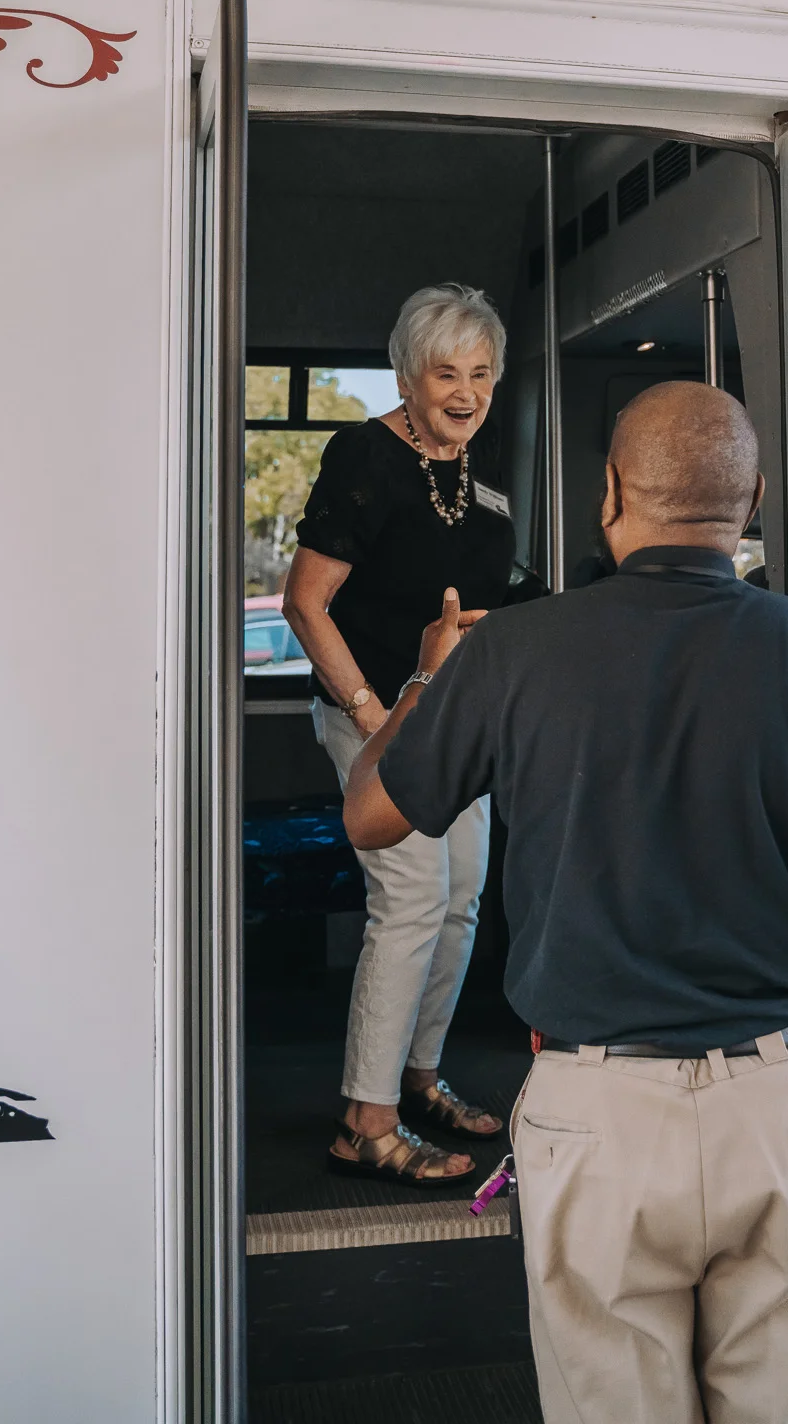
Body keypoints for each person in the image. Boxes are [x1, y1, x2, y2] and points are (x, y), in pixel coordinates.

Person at [341, 381, 788, 1421]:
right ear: (750, 506)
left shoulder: (511, 652)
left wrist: (429, 679)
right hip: (784, 1108)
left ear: (609, 495)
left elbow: (371, 817)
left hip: (594, 1115)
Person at [282, 283, 517, 1187]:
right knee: (414, 896)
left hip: (458, 723)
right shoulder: (362, 457)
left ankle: (417, 1079)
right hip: (376, 714)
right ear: (408, 377)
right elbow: (308, 602)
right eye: (446, 374)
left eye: (482, 374)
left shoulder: (473, 464)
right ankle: (365, 1122)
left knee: (460, 899)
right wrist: (376, 721)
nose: (466, 392)